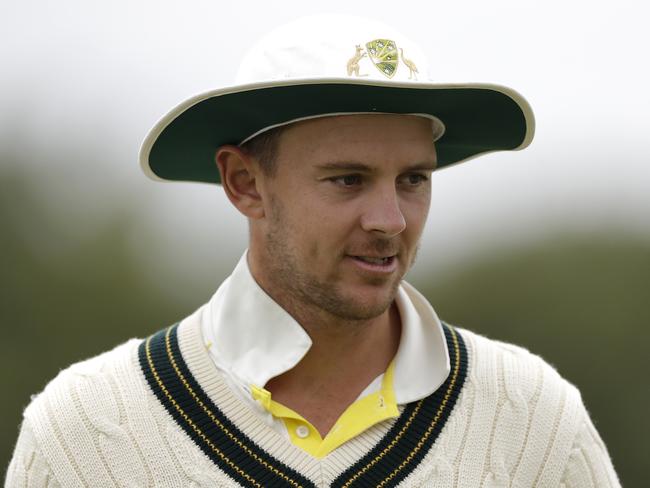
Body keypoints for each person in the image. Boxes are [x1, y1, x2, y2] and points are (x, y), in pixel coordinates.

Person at [5, 15, 620, 487]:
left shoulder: (536, 418)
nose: (390, 220)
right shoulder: (84, 431)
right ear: (245, 184)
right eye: (347, 179)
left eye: (414, 179)